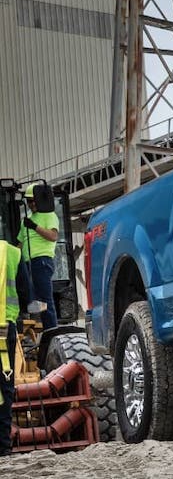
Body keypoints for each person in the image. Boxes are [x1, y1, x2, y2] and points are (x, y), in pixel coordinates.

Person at [16, 184, 59, 330]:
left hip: (42, 260)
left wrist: (34, 227)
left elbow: (53, 236)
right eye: (29, 201)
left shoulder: (49, 215)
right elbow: (20, 245)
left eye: (33, 200)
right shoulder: (25, 221)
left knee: (45, 298)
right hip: (28, 263)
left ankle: (51, 330)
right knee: (32, 299)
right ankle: (38, 327)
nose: (31, 204)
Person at [0, 240, 21, 456]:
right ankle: (3, 447)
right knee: (5, 388)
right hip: (4, 330)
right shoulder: (12, 252)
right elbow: (24, 290)